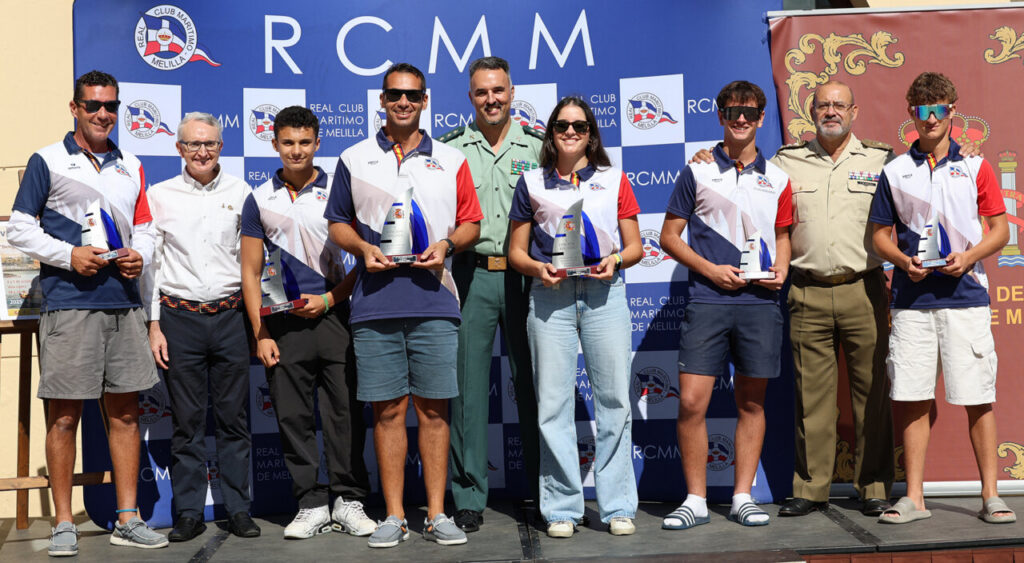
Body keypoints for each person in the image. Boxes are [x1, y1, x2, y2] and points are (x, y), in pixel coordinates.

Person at [690, 81, 897, 517]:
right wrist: (707, 154)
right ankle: (812, 488)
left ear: (854, 111)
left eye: (839, 105)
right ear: (812, 112)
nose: (831, 111)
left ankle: (874, 487)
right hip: (807, 288)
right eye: (823, 105)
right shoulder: (786, 162)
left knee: (872, 394)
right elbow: (740, 161)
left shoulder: (882, 160)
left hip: (864, 287)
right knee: (812, 397)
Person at [9, 70, 167, 555]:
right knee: (63, 418)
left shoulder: (131, 164)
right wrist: (68, 255)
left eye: (111, 106)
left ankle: (127, 518)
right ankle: (63, 523)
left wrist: (140, 253)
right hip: (70, 306)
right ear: (74, 108)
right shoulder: (47, 159)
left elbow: (145, 228)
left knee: (126, 415)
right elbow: (19, 229)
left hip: (124, 305)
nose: (103, 114)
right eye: (93, 105)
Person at [326, 63, 482, 548]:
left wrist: (448, 245)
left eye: (412, 95)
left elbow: (472, 224)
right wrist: (363, 249)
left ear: (425, 100)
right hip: (374, 303)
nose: (403, 102)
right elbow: (337, 223)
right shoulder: (354, 157)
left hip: (435, 300)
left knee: (434, 412)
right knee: (388, 412)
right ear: (381, 99)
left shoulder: (452, 159)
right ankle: (394, 515)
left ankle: (436, 514)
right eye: (394, 94)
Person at [869, 72, 1012, 525]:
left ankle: (991, 496)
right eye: (921, 110)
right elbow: (878, 236)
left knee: (977, 397)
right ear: (910, 113)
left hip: (965, 298)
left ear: (952, 110)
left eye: (938, 109)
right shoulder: (894, 171)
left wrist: (969, 257)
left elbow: (1001, 231)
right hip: (911, 301)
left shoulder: (976, 165)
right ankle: (913, 498)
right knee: (912, 398)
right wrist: (901, 260)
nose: (930, 119)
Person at [659, 81, 792, 530]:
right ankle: (695, 500)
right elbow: (669, 237)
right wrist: (711, 271)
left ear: (761, 118)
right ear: (720, 116)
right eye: (733, 112)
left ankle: (742, 497)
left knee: (752, 404)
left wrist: (782, 268)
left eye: (750, 113)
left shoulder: (779, 178)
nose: (741, 120)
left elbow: (784, 234)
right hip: (707, 298)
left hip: (760, 302)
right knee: (691, 402)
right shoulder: (696, 170)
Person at [508, 96, 642, 538]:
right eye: (562, 125)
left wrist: (615, 261)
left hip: (605, 294)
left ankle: (617, 506)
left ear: (591, 134)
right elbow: (515, 253)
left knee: (615, 401)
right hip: (551, 296)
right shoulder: (531, 182)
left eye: (579, 126)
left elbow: (636, 247)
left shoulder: (613, 177)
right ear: (551, 132)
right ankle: (562, 509)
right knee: (553, 405)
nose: (570, 132)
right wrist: (538, 269)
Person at [240, 106, 374, 540]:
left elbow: (366, 257)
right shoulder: (259, 198)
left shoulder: (339, 190)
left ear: (317, 143)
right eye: (287, 143)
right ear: (274, 144)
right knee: (293, 417)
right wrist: (260, 333)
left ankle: (349, 500)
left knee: (344, 414)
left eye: (304, 142)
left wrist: (331, 298)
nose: (296, 151)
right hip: (282, 324)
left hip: (337, 316)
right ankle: (311, 504)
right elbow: (250, 273)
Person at [142, 112, 260, 541]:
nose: (202, 152)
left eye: (209, 143)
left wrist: (256, 323)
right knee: (187, 423)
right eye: (193, 144)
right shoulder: (159, 196)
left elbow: (253, 264)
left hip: (230, 318)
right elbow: (152, 268)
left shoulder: (242, 192)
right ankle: (189, 513)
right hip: (179, 319)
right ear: (179, 148)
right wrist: (154, 324)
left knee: (234, 420)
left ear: (221, 147)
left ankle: (239, 509)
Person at [438, 55, 542, 533]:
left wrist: (705, 156)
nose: (491, 99)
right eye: (481, 92)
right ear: (470, 96)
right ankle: (468, 497)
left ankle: (546, 492)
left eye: (498, 90)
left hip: (528, 279)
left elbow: (589, 170)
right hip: (471, 275)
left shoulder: (540, 146)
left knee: (537, 386)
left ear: (512, 92)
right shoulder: (449, 150)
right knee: (468, 392)